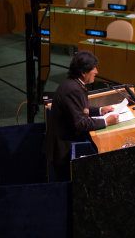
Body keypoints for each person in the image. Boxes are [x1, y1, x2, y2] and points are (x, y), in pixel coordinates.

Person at [45, 51, 119, 181]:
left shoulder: (72, 83)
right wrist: (106, 122)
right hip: (65, 151)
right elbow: (80, 124)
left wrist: (100, 110)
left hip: (64, 143)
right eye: (93, 68)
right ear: (83, 72)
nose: (96, 71)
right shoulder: (73, 89)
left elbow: (78, 109)